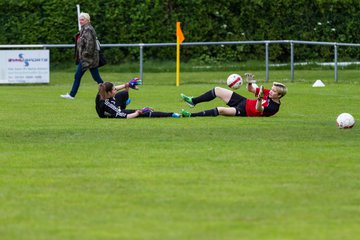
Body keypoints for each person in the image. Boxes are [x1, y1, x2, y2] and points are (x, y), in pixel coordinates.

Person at [180, 73, 287, 117]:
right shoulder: (268, 93)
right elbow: (250, 89)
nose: (271, 92)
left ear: (279, 96)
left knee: (220, 110)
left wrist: (259, 98)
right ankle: (193, 101)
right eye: (272, 89)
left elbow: (259, 109)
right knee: (217, 90)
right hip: (243, 101)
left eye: (274, 91)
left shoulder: (274, 107)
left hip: (244, 112)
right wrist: (250, 81)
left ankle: (190, 115)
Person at [61, 12, 103, 100]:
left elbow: (90, 45)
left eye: (82, 19)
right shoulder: (84, 29)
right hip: (88, 59)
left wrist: (84, 55)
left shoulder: (87, 29)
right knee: (96, 78)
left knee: (81, 76)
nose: (80, 21)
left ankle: (109, 92)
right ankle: (109, 92)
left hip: (88, 59)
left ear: (87, 20)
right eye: (80, 19)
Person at [96, 78, 181, 119]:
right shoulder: (108, 105)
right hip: (114, 112)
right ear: (109, 93)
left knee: (124, 93)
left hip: (112, 105)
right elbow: (124, 116)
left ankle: (124, 103)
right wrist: (138, 112)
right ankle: (171, 114)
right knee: (144, 113)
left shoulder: (102, 91)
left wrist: (127, 84)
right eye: (114, 89)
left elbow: (115, 88)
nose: (116, 89)